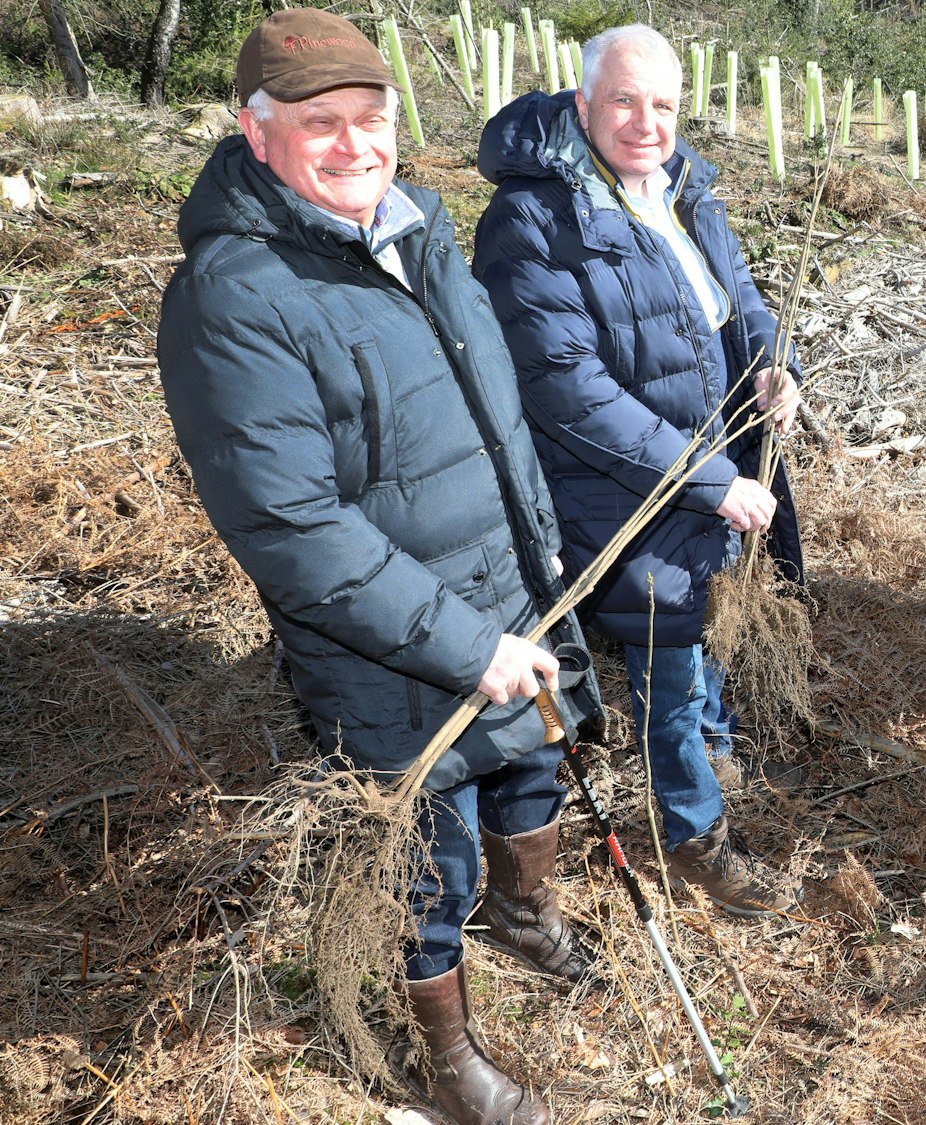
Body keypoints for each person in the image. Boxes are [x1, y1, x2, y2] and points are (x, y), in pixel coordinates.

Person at [156, 10, 602, 1124]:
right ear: (257, 136)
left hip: (508, 590)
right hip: (388, 647)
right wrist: (464, 642)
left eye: (371, 117)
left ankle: (525, 912)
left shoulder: (415, 230)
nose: (355, 144)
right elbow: (292, 525)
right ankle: (447, 1063)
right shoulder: (234, 294)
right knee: (423, 855)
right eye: (322, 124)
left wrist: (538, 550)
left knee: (530, 769)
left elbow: (495, 413)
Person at [472, 25, 802, 917]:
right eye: (623, 101)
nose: (645, 123)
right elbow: (568, 390)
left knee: (706, 638)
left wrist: (774, 366)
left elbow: (743, 305)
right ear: (582, 106)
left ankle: (713, 739)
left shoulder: (687, 188)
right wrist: (705, 477)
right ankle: (693, 829)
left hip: (717, 474)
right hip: (625, 493)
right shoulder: (531, 219)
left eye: (663, 104)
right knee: (669, 661)